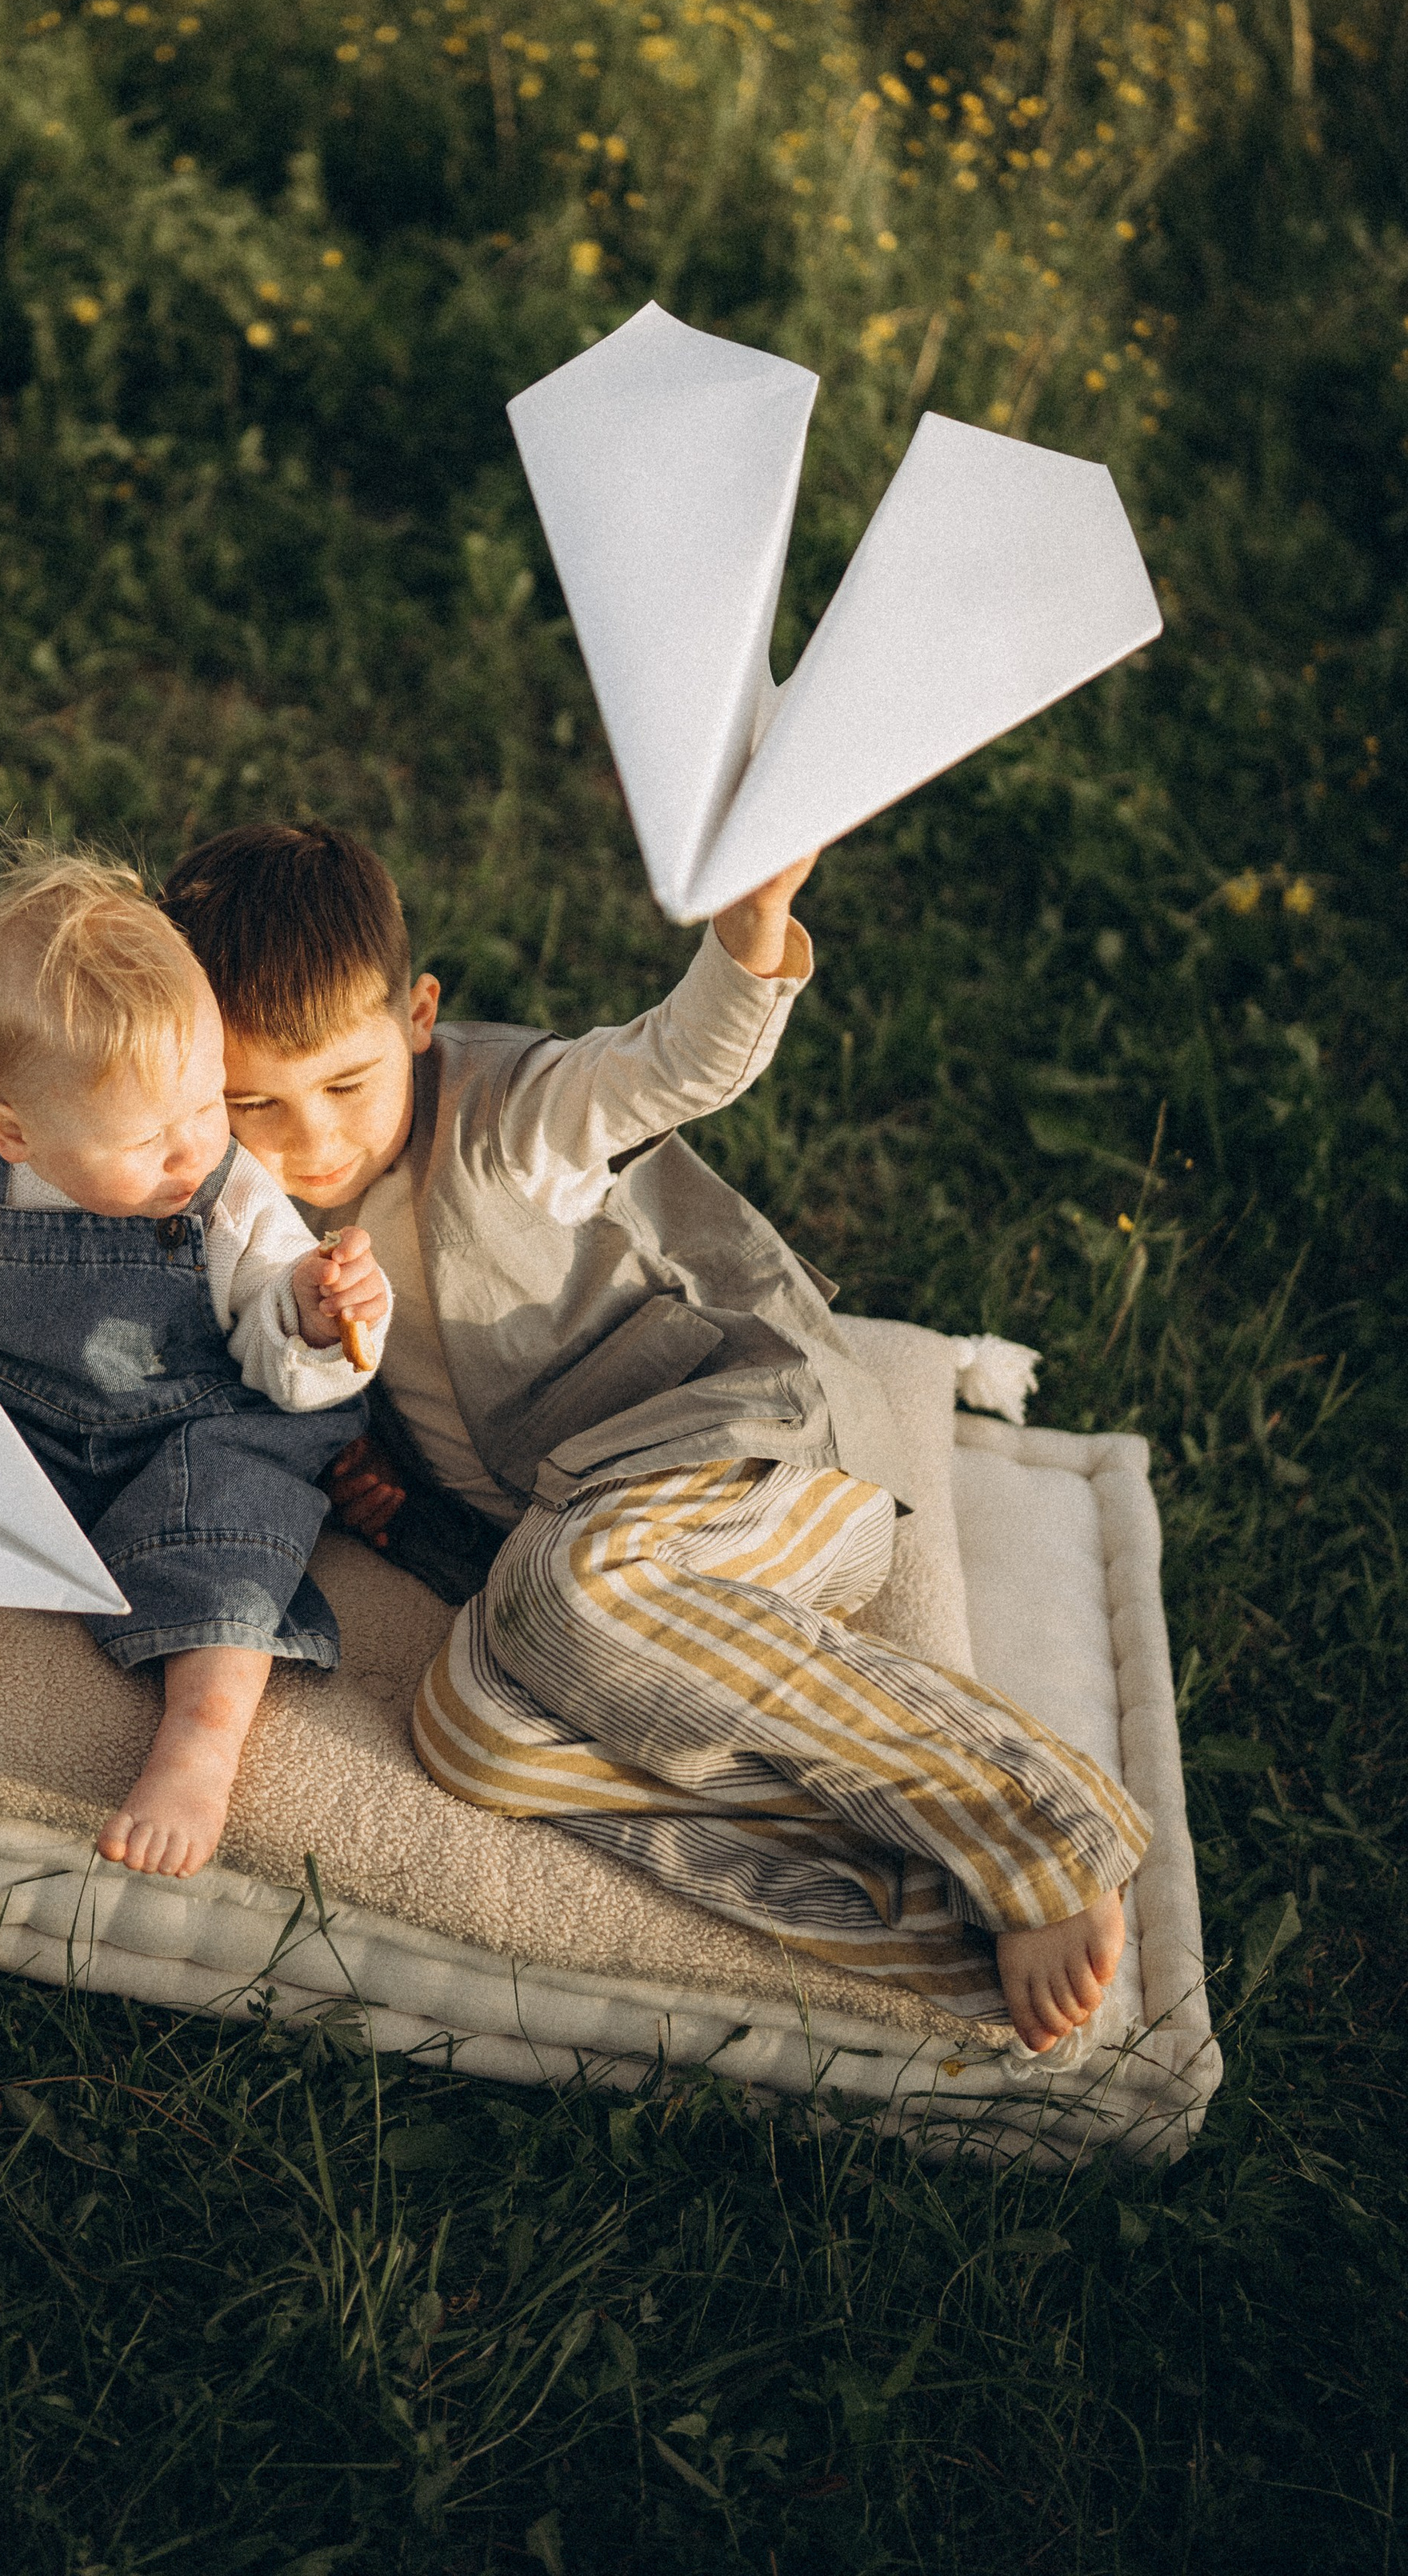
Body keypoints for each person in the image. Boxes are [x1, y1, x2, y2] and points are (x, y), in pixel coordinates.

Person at [160, 824, 1147, 2056]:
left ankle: (1029, 1816)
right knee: (470, 1731)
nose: (309, 1141)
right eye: (252, 1103)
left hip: (761, 1458)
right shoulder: (236, 1210)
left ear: (418, 1016)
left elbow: (671, 1063)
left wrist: (746, 946)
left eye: (346, 1085)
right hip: (612, 1580)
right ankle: (922, 1909)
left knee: (573, 1591)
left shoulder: (514, 1119)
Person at [0, 846, 389, 1882]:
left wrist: (318, 1315)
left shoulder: (228, 1194)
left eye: (207, 1104)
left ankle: (200, 1738)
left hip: (193, 1427)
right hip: (21, 1418)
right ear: (14, 1133)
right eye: (150, 1136)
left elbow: (279, 1346)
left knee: (241, 1525)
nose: (193, 1151)